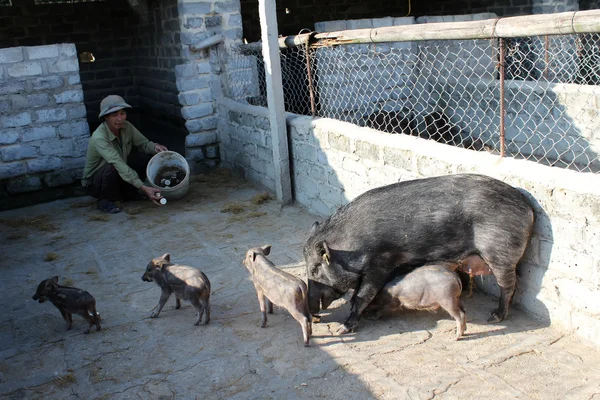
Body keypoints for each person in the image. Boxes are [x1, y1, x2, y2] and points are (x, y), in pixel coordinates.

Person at [82, 95, 168, 213]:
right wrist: (143, 187)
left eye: (122, 113)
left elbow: (143, 144)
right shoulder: (99, 137)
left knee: (143, 157)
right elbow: (117, 162)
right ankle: (105, 200)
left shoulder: (127, 126)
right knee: (112, 166)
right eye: (114, 115)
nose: (120, 119)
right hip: (96, 183)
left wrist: (155, 147)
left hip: (118, 173)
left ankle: (129, 193)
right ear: (105, 117)